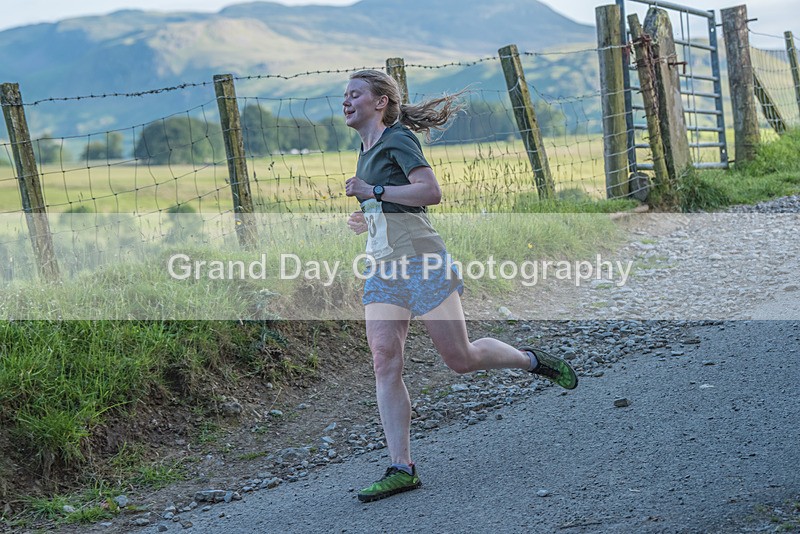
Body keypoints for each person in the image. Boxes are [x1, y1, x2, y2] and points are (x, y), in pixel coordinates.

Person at [342, 69, 578, 503]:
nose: (346, 101)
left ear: (380, 102)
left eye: (355, 93)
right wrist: (366, 216)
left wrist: (372, 190)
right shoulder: (364, 148)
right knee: (383, 358)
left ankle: (530, 360)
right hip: (383, 268)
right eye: (344, 95)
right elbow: (391, 204)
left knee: (461, 359)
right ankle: (401, 467)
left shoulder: (396, 139)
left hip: (423, 263)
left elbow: (429, 192)